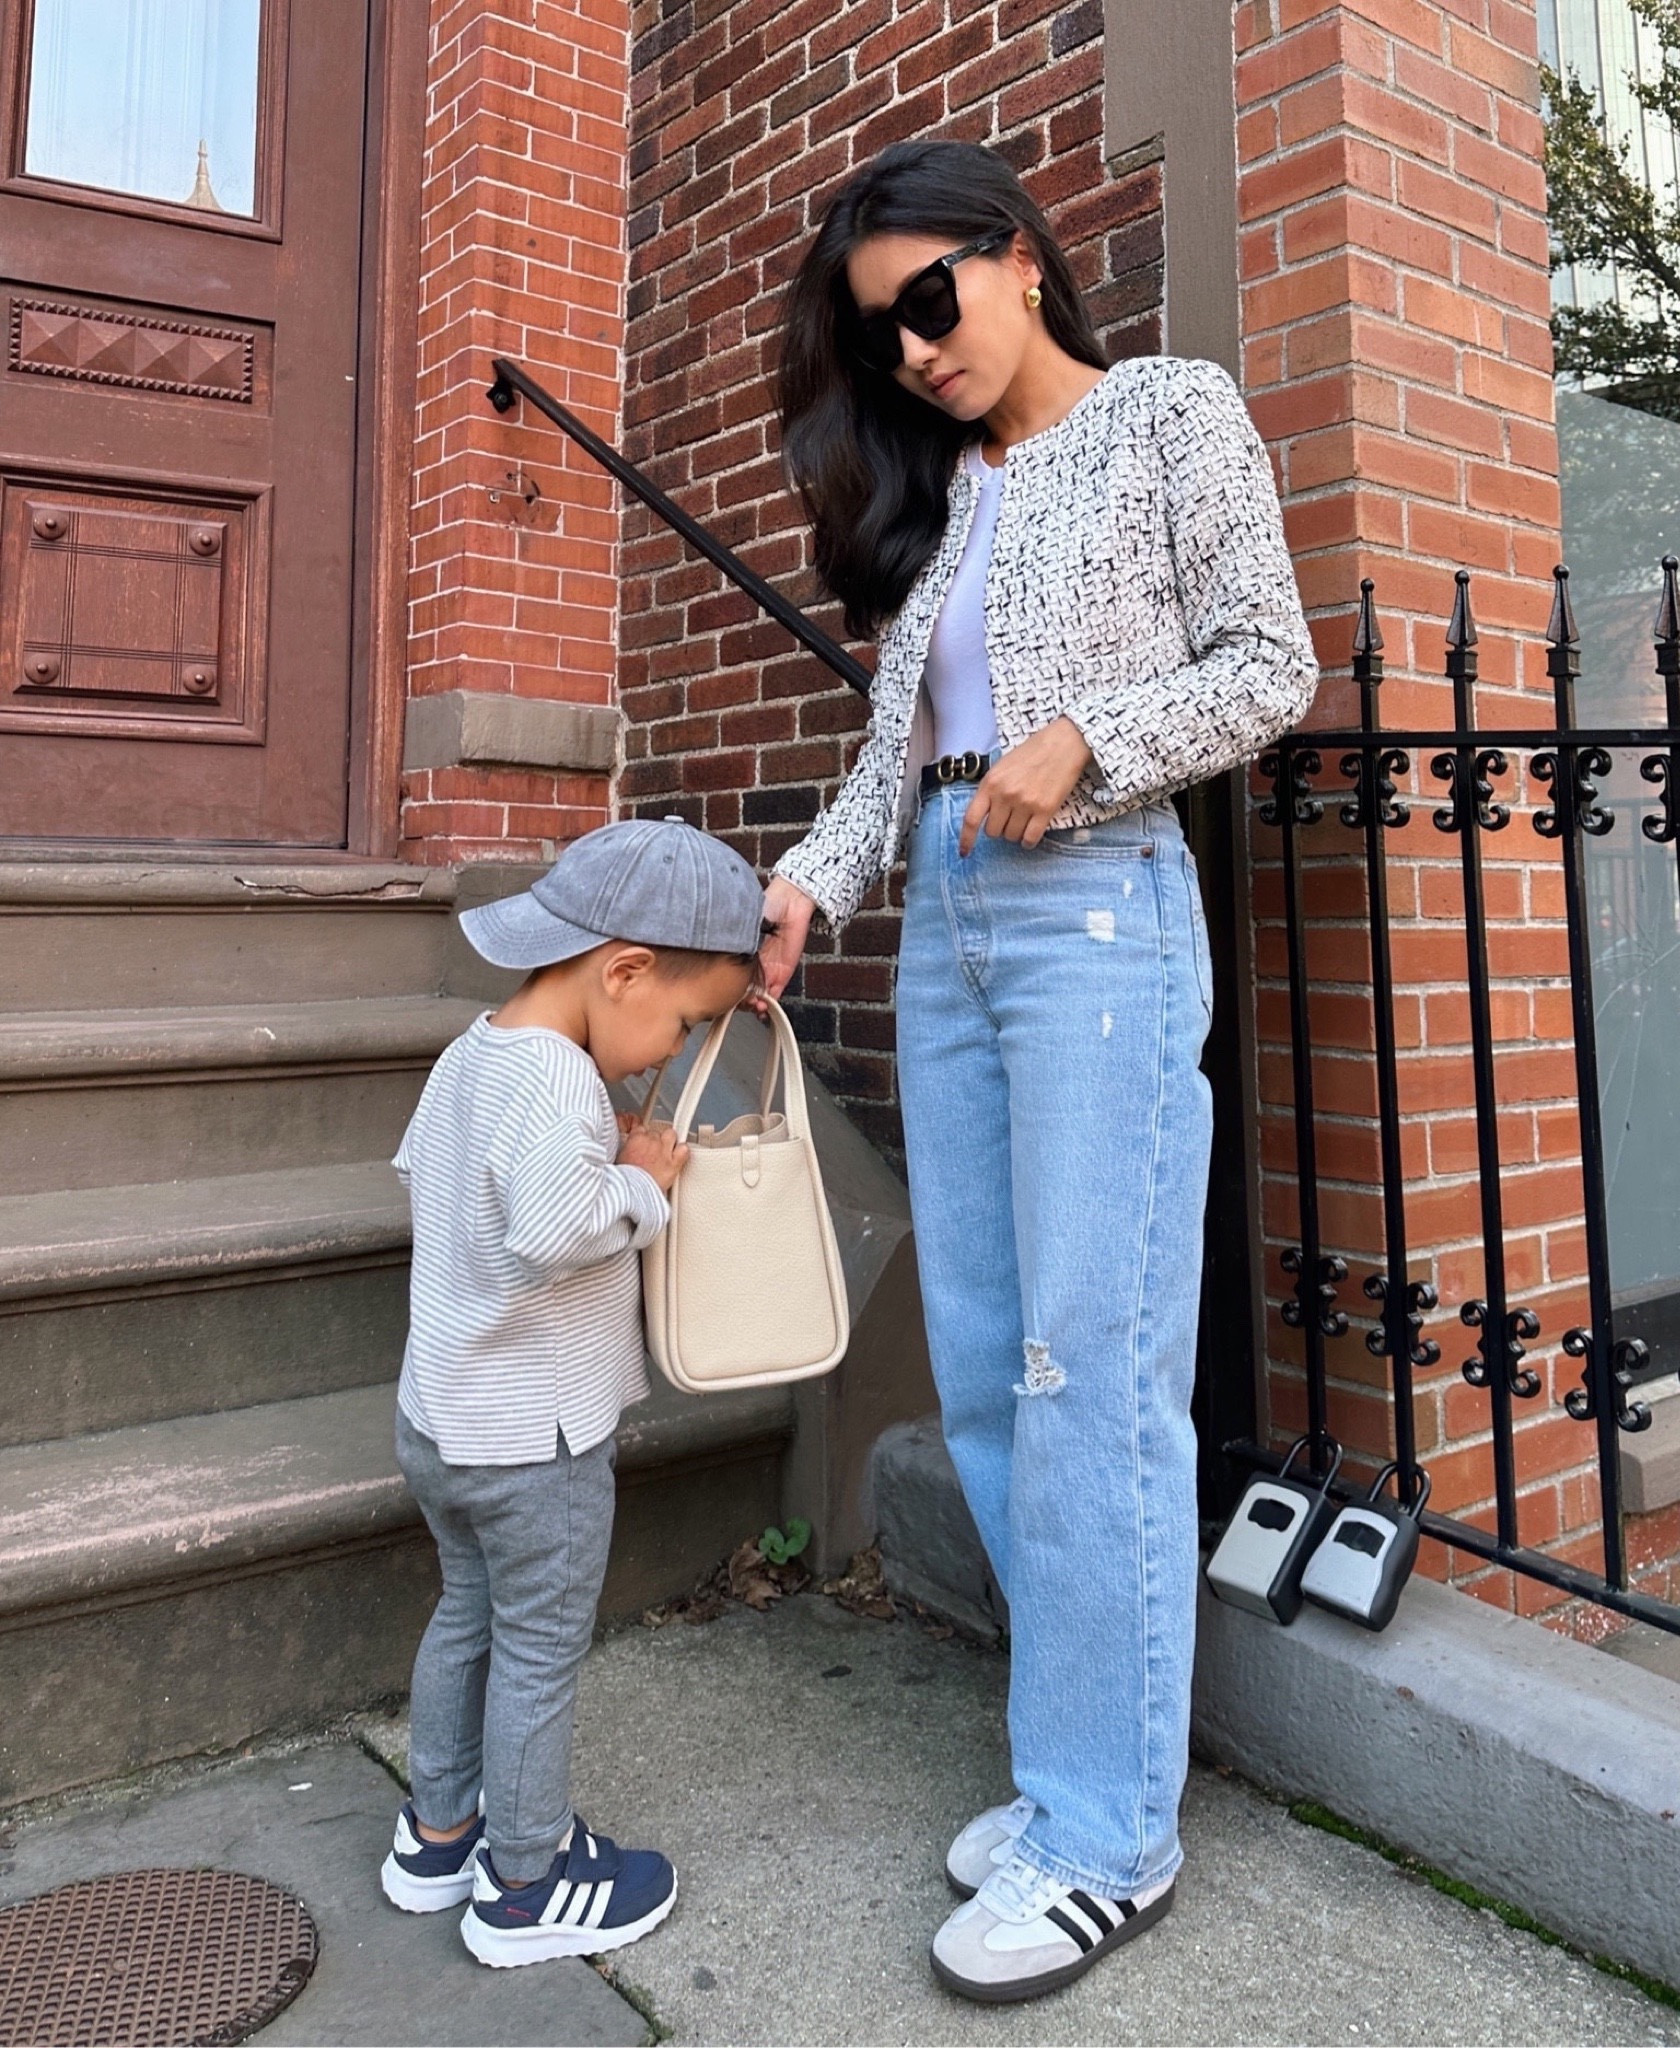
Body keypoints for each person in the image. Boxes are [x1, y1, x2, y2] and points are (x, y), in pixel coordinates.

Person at [760, 140, 1317, 2004]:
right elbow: (889, 763)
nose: (914, 352)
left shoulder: (1168, 411)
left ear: (1012, 257)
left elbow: (1272, 667)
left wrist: (1085, 736)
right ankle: (1075, 1766)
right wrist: (809, 886)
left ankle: (1105, 1834)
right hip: (950, 931)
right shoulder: (952, 504)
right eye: (881, 333)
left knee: (1093, 1370)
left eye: (932, 298)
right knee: (995, 1374)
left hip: (1096, 920)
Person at [378, 816, 767, 1967]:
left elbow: (439, 1179)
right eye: (683, 1021)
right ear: (624, 969)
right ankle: (529, 1876)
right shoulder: (559, 1080)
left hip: (441, 1417)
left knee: (466, 1616)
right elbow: (554, 1224)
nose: (664, 1051)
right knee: (540, 1645)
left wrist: (600, 1160)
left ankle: (439, 1829)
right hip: (532, 1437)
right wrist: (638, 1184)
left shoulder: (477, 1050)